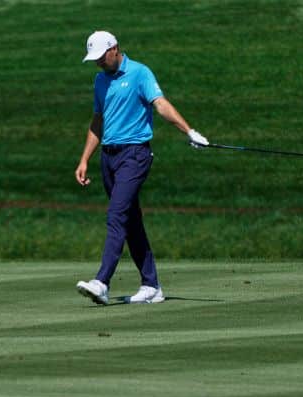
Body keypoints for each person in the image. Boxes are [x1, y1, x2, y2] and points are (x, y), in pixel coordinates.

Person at [74, 30, 209, 305]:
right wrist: (85, 159)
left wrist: (189, 131)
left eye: (102, 57)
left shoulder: (140, 73)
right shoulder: (100, 80)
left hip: (134, 156)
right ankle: (151, 285)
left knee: (116, 216)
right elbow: (97, 122)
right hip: (108, 159)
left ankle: (102, 282)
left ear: (115, 49)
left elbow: (160, 105)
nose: (99, 63)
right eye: (95, 59)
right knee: (131, 222)